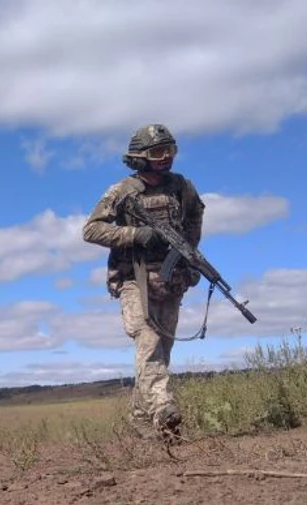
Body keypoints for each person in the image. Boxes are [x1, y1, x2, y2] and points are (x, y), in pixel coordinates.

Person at [82, 124, 205, 443]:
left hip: (170, 278)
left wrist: (189, 257)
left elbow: (194, 219)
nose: (165, 158)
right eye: (156, 153)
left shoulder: (182, 187)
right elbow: (92, 230)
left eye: (170, 151)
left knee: (161, 349)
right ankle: (165, 411)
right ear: (140, 157)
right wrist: (135, 234)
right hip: (133, 278)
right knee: (149, 343)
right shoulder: (122, 191)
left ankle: (139, 418)